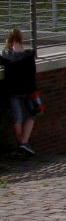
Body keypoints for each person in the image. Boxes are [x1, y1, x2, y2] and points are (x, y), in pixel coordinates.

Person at [2, 28, 38, 157]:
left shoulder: (6, 55)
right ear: (21, 38)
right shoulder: (28, 55)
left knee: (17, 117)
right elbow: (32, 73)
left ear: (9, 39)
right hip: (27, 89)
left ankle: (21, 145)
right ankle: (24, 142)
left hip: (12, 90)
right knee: (33, 113)